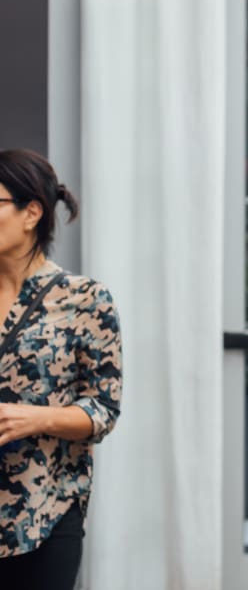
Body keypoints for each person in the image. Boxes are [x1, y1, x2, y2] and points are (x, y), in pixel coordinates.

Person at [0, 150, 122, 590]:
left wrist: (35, 418)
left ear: (31, 213)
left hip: (46, 513)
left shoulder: (86, 299)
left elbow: (103, 410)